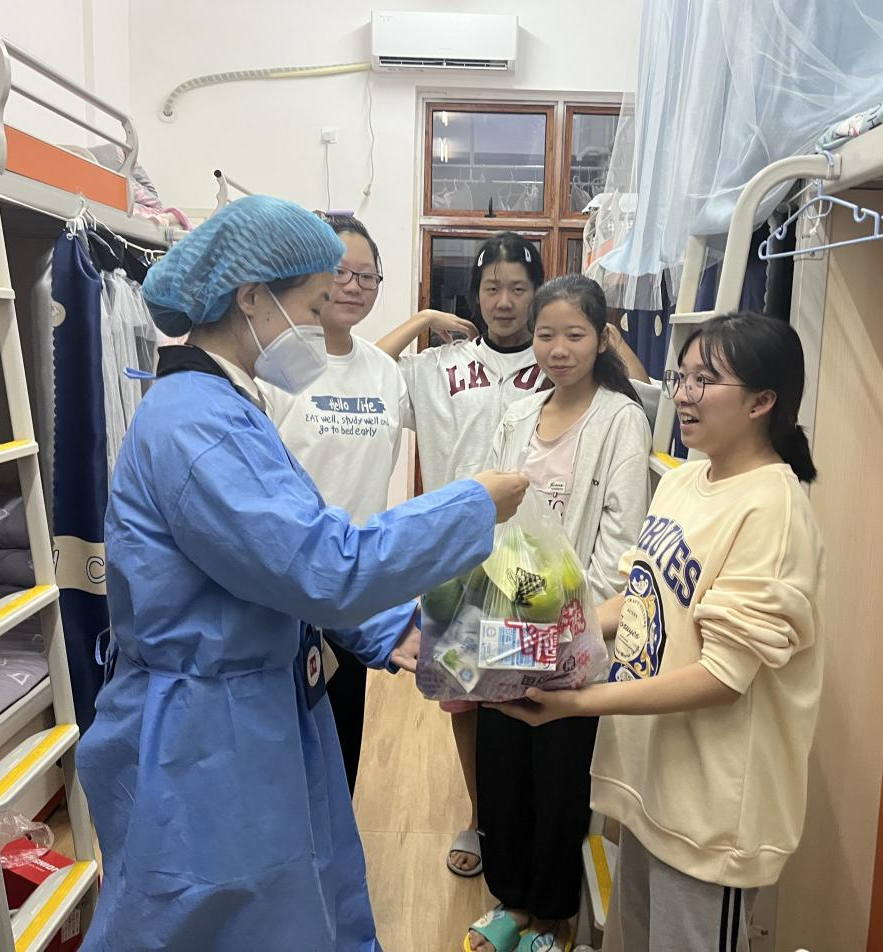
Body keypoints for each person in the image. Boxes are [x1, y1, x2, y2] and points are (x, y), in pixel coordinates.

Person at [76, 195, 529, 951]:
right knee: (218, 921)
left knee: (304, 899)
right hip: (203, 735)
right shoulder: (197, 426)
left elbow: (281, 552)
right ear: (252, 298)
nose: (323, 327)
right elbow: (320, 565)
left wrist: (392, 630)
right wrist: (472, 503)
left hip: (252, 703)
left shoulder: (228, 405)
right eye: (315, 306)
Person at [495, 312, 825, 952]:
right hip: (654, 783)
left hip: (713, 812)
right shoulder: (682, 481)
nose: (684, 393)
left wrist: (579, 704)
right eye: (683, 376)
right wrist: (548, 637)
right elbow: (640, 599)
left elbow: (723, 678)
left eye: (706, 380)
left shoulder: (773, 510)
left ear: (762, 402)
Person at [465, 275, 652, 952]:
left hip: (574, 632)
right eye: (546, 334)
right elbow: (487, 514)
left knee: (559, 776)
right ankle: (510, 901)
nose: (558, 349)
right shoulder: (517, 415)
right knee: (501, 766)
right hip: (503, 620)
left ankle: (552, 916)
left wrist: (564, 626)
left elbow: (620, 540)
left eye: (575, 334)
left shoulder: (621, 419)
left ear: (602, 339)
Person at [377, 232, 548, 879]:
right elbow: (362, 378)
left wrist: (604, 332)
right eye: (491, 288)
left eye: (518, 288)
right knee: (466, 700)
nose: (503, 302)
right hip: (455, 561)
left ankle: (531, 819)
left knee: (535, 694)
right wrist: (422, 318)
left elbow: (639, 397)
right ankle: (480, 816)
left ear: (537, 293)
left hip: (535, 564)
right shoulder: (436, 366)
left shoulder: (557, 360)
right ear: (474, 294)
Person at [260, 213, 405, 795]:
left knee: (343, 744)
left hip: (354, 590)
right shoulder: (276, 369)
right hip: (285, 590)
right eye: (340, 272)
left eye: (367, 276)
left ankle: (334, 847)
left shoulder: (385, 372)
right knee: (283, 752)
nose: (352, 286)